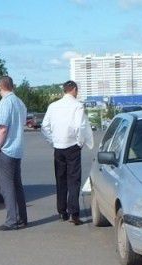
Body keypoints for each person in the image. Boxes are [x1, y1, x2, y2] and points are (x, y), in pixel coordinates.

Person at [40, 80, 94, 225]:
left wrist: (52, 141)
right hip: (72, 146)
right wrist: (80, 142)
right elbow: (79, 126)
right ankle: (74, 213)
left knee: (60, 179)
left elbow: (44, 126)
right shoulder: (77, 105)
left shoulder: (53, 106)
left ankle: (62, 211)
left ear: (64, 90)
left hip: (58, 147)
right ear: (74, 90)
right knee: (74, 180)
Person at [0, 75, 28, 231]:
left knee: (7, 187)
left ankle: (12, 220)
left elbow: (3, 128)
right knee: (17, 185)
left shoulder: (5, 103)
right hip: (16, 149)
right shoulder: (19, 102)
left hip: (5, 150)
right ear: (12, 86)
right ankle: (22, 218)